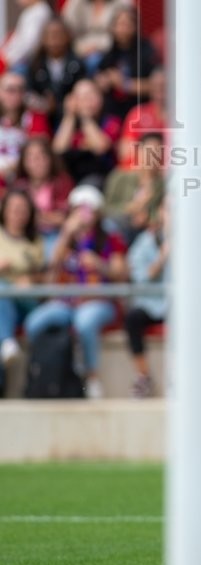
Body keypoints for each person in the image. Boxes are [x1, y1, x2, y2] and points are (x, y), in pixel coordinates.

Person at [24, 184, 128, 399]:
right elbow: (51, 271)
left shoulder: (110, 238)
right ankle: (43, 371)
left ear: (97, 212)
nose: (82, 214)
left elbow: (121, 274)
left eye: (87, 209)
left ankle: (91, 378)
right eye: (78, 209)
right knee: (34, 323)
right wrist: (66, 234)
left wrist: (100, 265)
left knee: (84, 322)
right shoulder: (66, 240)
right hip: (67, 302)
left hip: (99, 301)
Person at [124, 199, 166, 398]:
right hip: (151, 304)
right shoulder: (144, 242)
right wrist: (163, 257)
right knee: (132, 318)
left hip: (179, 305)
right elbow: (140, 276)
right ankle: (143, 376)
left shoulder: (190, 239)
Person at [0, 188, 44, 367]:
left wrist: (31, 280)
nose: (18, 214)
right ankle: (6, 342)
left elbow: (45, 275)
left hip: (26, 299)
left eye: (23, 209)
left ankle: (7, 342)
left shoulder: (35, 240)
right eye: (14, 208)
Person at [94, 5, 158, 120]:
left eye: (127, 24)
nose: (123, 29)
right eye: (119, 24)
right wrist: (101, 82)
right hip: (113, 114)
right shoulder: (109, 54)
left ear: (136, 26)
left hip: (140, 110)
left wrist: (125, 84)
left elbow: (156, 86)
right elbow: (98, 78)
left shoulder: (146, 51)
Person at [14, 136, 73, 258]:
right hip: (23, 235)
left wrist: (34, 217)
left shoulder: (62, 182)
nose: (37, 162)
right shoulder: (19, 186)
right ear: (23, 162)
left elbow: (64, 218)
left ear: (50, 159)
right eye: (31, 157)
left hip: (54, 236)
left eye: (41, 156)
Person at [103, 132, 165, 245]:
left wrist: (148, 219)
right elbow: (106, 208)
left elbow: (163, 213)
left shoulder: (164, 185)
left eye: (158, 152)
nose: (153, 157)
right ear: (139, 151)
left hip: (147, 234)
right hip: (120, 228)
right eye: (149, 151)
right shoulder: (120, 176)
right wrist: (130, 208)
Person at [52, 78, 120, 183]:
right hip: (72, 178)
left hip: (103, 177)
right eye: (80, 97)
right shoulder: (68, 124)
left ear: (100, 98)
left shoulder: (111, 121)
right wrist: (69, 116)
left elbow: (101, 148)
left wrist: (85, 117)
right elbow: (58, 150)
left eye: (89, 95)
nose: (85, 101)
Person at [25, 17, 87, 130]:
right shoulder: (35, 65)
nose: (54, 39)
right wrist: (43, 104)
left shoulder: (77, 64)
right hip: (43, 112)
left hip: (70, 112)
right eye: (50, 35)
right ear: (43, 39)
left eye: (58, 35)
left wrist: (68, 102)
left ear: (67, 37)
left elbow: (81, 87)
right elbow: (29, 92)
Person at [0, 71, 50, 181]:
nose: (16, 95)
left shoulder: (35, 118)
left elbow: (39, 155)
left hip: (24, 178)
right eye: (10, 90)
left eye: (20, 90)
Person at [62, 0, 134, 73]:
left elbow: (124, 28)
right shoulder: (76, 3)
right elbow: (67, 27)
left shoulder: (121, 3)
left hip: (111, 49)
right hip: (79, 48)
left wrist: (98, 47)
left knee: (93, 61)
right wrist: (82, 49)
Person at [0, 0, 53, 72]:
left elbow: (29, 44)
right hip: (16, 59)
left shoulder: (39, 12)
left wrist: (9, 60)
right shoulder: (32, 10)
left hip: (25, 62)